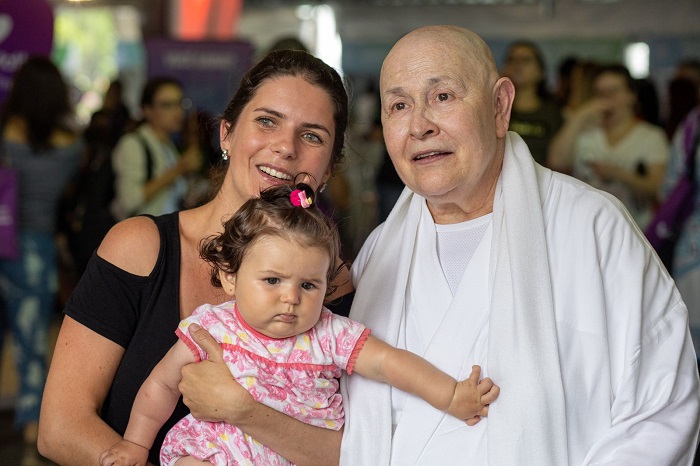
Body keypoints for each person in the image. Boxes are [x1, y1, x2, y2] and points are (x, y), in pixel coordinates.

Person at [338, 25, 700, 465]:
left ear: (499, 106)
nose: (419, 126)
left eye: (443, 97)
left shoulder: (591, 226)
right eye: (398, 105)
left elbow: (660, 409)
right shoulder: (378, 254)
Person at [38, 49, 355, 466]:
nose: (285, 147)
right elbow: (61, 427)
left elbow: (353, 451)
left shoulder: (332, 283)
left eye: (312, 135)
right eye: (267, 121)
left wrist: (244, 411)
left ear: (329, 168)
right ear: (226, 133)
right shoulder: (141, 247)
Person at [98, 183, 498, 466]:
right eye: (272, 281)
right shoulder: (211, 328)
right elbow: (161, 385)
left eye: (309, 284)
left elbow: (392, 363)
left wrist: (450, 396)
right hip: (213, 454)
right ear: (231, 277)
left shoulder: (330, 335)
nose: (291, 297)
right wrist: (135, 444)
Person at [0, 56, 83, 466]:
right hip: (37, 247)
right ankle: (33, 421)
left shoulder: (5, 136)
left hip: (2, 239)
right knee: (32, 339)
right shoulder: (72, 144)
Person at [547, 64, 669, 230]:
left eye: (613, 92)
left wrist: (618, 174)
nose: (606, 99)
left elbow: (658, 189)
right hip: (585, 229)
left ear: (631, 95)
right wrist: (580, 116)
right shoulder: (585, 133)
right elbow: (556, 162)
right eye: (600, 93)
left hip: (635, 231)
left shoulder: (651, 136)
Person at [110, 76, 202, 221]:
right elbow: (128, 201)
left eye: (180, 103)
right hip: (142, 234)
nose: (177, 112)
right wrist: (177, 170)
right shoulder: (133, 144)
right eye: (167, 105)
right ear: (147, 110)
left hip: (165, 232)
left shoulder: (168, 145)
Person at [500, 40, 563, 166]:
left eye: (525, 60)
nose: (517, 65)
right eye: (512, 59)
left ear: (540, 72)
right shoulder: (495, 110)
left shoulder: (553, 113)